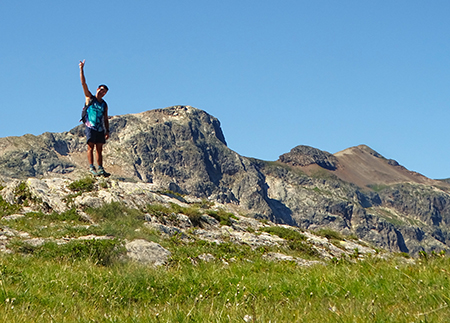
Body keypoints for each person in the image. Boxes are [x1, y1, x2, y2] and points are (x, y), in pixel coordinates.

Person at [79, 59, 110, 176]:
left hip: (100, 128)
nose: (102, 93)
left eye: (105, 92)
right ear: (98, 89)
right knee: (90, 146)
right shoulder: (89, 98)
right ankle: (92, 167)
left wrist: (107, 130)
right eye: (101, 90)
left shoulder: (104, 104)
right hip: (90, 126)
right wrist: (81, 69)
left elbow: (105, 118)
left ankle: (101, 168)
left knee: (99, 148)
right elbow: (83, 83)